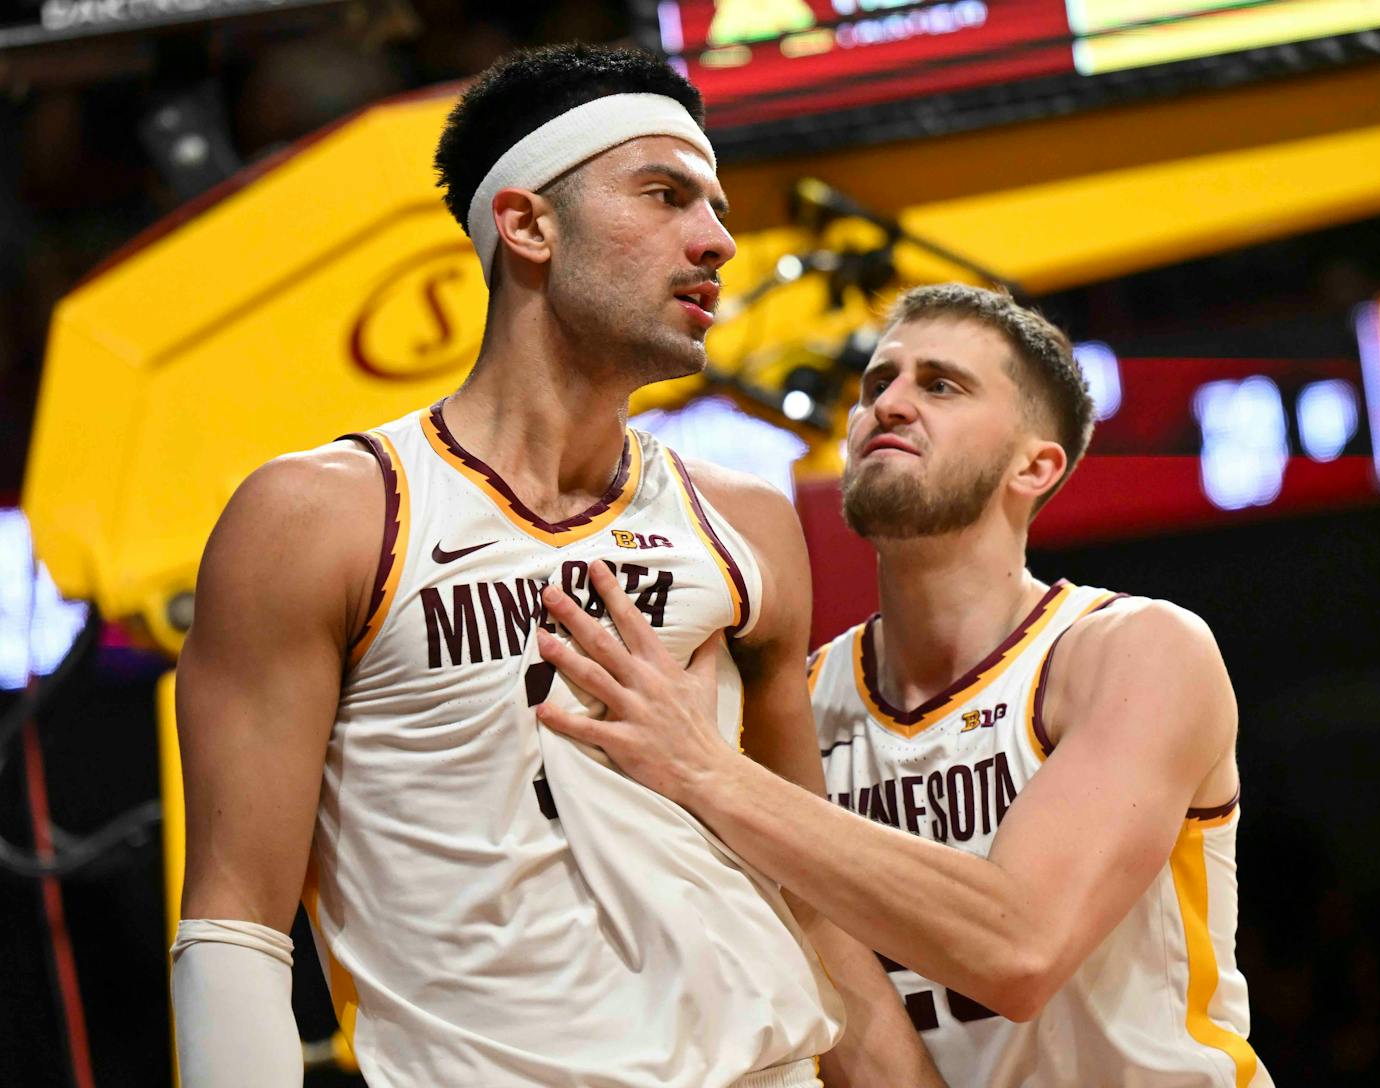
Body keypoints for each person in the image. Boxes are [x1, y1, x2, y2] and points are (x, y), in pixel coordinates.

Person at [169, 44, 940, 1088]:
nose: (716, 239)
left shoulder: (743, 519)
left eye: (712, 205)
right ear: (527, 225)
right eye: (665, 195)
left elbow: (811, 886)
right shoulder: (325, 514)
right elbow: (235, 925)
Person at [536, 282, 1275, 1086]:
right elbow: (831, 988)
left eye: (941, 385)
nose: (887, 405)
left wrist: (709, 770)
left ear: (1035, 465)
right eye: (875, 384)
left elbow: (1018, 950)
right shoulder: (802, 706)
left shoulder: (1134, 651)